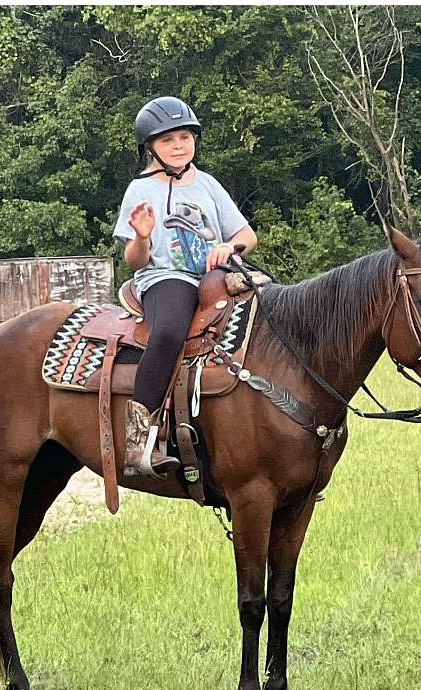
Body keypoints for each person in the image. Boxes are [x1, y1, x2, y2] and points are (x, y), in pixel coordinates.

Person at [113, 96, 258, 478]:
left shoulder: (207, 184)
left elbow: (246, 233)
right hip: (164, 276)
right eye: (167, 141)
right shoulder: (140, 190)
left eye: (185, 137)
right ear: (151, 148)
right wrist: (142, 236)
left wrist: (230, 246)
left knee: (270, 306)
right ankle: (138, 438)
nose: (179, 146)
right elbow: (134, 260)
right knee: (170, 330)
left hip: (214, 276)